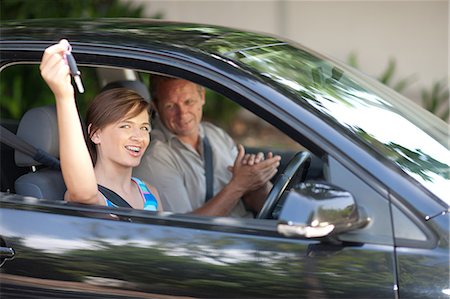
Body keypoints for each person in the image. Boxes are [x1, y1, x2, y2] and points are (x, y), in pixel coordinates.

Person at [40, 39, 161, 210]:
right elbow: (85, 193)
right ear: (95, 133)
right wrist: (64, 96)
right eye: (125, 126)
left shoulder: (150, 192)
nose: (139, 137)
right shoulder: (94, 196)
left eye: (144, 128)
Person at [134, 75, 280, 217]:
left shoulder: (215, 134)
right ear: (156, 107)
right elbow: (184, 230)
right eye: (171, 106)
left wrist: (257, 179)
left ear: (202, 96)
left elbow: (251, 198)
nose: (183, 114)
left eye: (189, 101)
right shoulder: (155, 158)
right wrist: (239, 185)